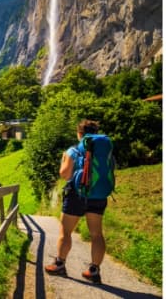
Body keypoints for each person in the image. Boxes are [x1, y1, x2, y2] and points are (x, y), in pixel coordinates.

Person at [44, 119, 111, 284]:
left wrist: (63, 160)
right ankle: (94, 271)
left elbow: (65, 174)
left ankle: (60, 264)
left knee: (65, 231)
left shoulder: (73, 150)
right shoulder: (105, 150)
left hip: (77, 194)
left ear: (79, 133)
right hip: (99, 194)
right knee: (96, 234)